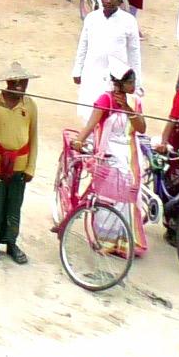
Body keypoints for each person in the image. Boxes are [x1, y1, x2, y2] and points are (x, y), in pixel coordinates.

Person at [74, 55, 148, 258]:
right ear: (119, 84)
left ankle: (124, 240)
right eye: (130, 82)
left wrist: (127, 107)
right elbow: (91, 125)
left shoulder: (134, 101)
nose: (134, 85)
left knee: (130, 192)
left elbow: (141, 128)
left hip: (130, 154)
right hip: (109, 153)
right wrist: (79, 140)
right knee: (112, 196)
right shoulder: (104, 100)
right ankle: (105, 238)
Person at [0, 62, 38, 264]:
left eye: (24, 82)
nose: (20, 86)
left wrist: (31, 167)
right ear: (7, 82)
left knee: (15, 206)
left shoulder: (30, 105)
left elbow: (34, 137)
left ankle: (12, 243)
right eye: (15, 82)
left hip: (20, 165)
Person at [72, 0, 140, 121]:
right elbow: (83, 45)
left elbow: (134, 53)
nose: (108, 1)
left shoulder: (129, 21)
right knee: (89, 111)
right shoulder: (91, 18)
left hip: (117, 78)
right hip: (92, 74)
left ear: (120, 0)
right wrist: (77, 70)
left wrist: (137, 82)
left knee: (113, 116)